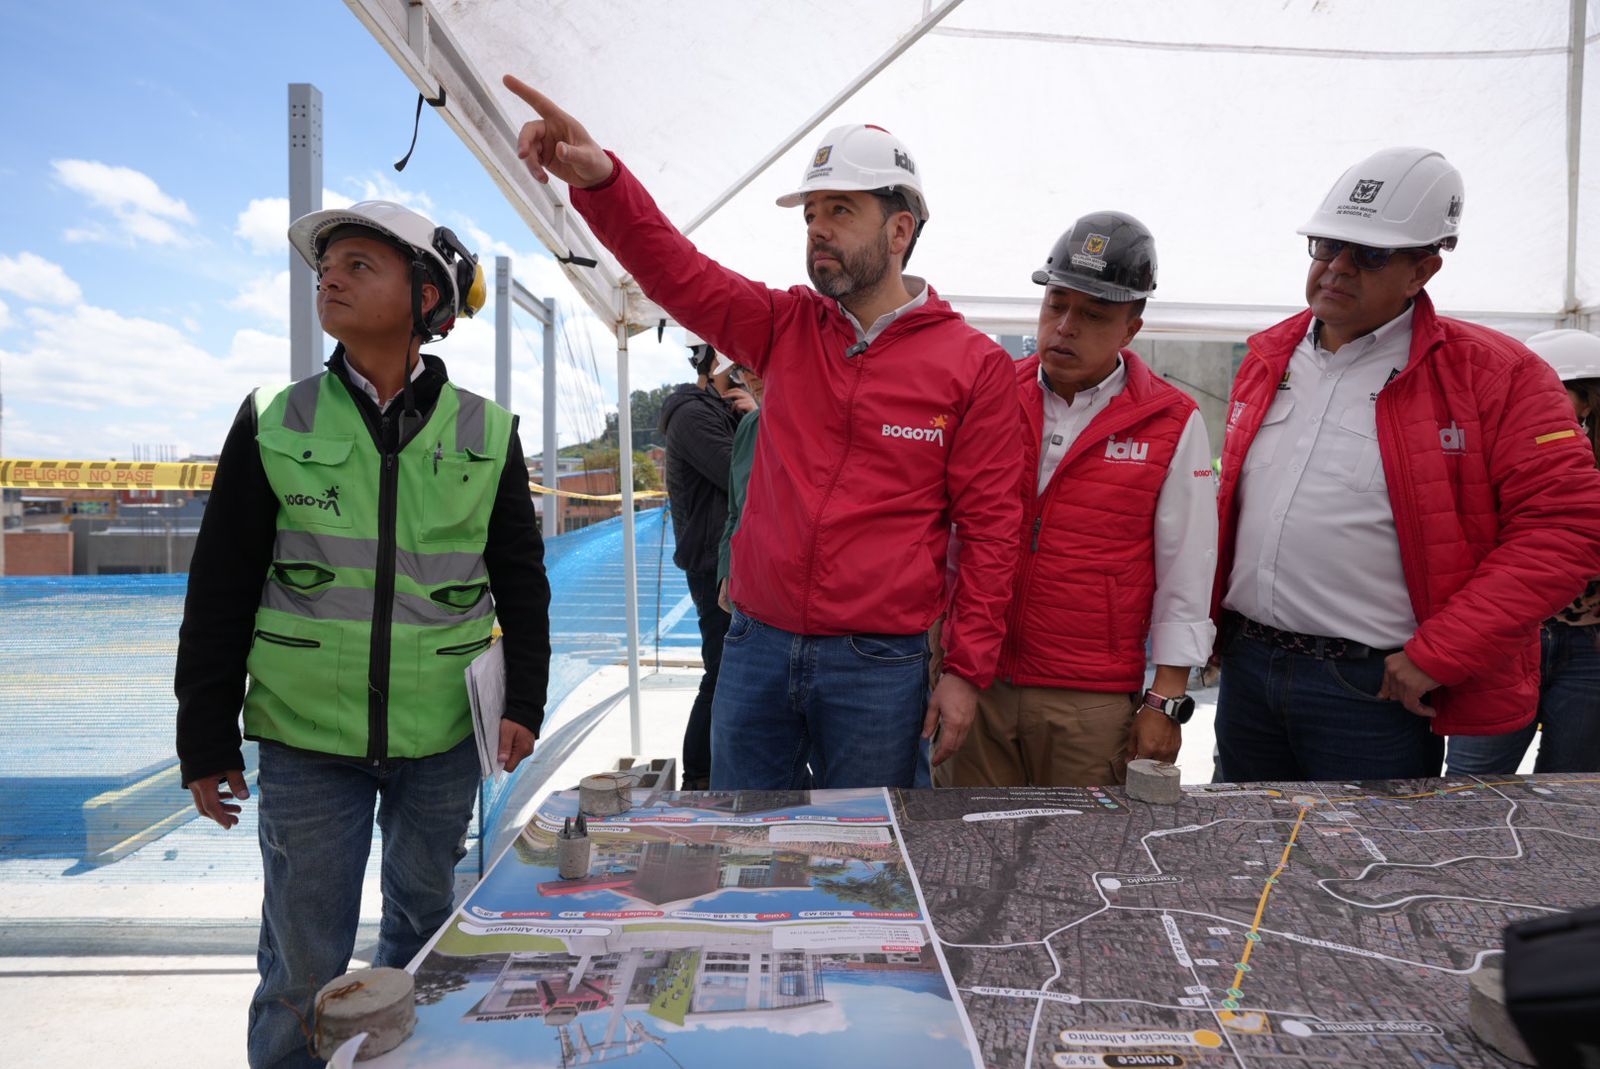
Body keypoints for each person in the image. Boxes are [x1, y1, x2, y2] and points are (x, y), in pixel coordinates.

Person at [502, 76, 1022, 789]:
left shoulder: (975, 365)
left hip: (879, 666)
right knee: (743, 858)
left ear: (900, 230)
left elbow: (993, 531)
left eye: (841, 209)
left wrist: (964, 671)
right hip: (756, 647)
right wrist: (601, 180)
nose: (818, 228)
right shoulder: (784, 325)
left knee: (869, 868)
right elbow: (676, 273)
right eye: (811, 213)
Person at [175, 201, 552, 1069]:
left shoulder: (486, 433)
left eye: (357, 264)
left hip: (443, 738)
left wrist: (522, 700)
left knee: (425, 930)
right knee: (304, 957)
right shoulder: (274, 416)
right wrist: (205, 732)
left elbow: (520, 582)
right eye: (325, 268)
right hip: (309, 738)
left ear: (427, 297)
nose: (330, 279)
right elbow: (222, 585)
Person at [1213, 146, 1600, 782]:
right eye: (1325, 245)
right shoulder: (1269, 357)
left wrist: (1441, 653)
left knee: (1361, 878)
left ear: (1422, 270)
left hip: (1372, 688)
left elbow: (1565, 529)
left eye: (1367, 255)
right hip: (1250, 670)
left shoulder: (1496, 375)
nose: (1336, 267)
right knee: (1247, 862)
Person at [939, 212, 1217, 788]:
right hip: (975, 685)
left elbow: (1187, 573)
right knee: (964, 859)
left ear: (1131, 328)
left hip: (1088, 703)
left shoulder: (1170, 420)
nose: (1065, 326)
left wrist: (1165, 701)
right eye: (1056, 304)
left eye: (1093, 315)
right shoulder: (989, 394)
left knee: (1078, 867)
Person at [1447, 329, 1600, 775]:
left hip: (1587, 647)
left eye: (1550, 393)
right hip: (1505, 639)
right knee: (1468, 788)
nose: (1530, 403)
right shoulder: (1491, 453)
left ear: (1587, 401)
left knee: (1570, 793)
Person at [659, 341, 755, 790]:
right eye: (747, 372)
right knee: (721, 672)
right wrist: (760, 417)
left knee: (731, 672)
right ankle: (699, 776)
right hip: (711, 565)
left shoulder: (723, 413)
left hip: (730, 560)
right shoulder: (693, 416)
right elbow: (744, 474)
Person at [717, 361, 765, 615]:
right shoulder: (748, 426)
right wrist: (725, 571)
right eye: (739, 370)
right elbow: (735, 511)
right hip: (748, 593)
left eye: (751, 364)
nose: (747, 376)